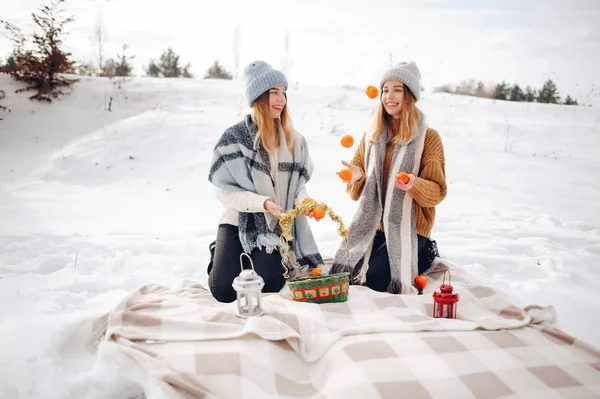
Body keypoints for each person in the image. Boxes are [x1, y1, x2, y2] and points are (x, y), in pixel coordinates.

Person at [207, 60, 324, 303]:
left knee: (270, 284)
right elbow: (224, 192)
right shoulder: (235, 137)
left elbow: (298, 185)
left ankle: (251, 258)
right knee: (223, 291)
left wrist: (307, 203)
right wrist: (263, 203)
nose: (281, 100)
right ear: (259, 96)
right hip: (238, 220)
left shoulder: (294, 140)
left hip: (275, 227)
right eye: (274, 93)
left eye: (283, 93)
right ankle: (220, 250)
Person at [329, 61, 447, 295]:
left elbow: (437, 192)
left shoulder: (429, 138)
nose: (389, 97)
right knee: (347, 272)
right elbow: (357, 189)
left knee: (376, 279)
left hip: (410, 227)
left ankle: (425, 251)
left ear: (410, 96)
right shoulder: (371, 136)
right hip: (375, 224)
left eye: (397, 90)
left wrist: (414, 184)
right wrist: (356, 177)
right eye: (385, 90)